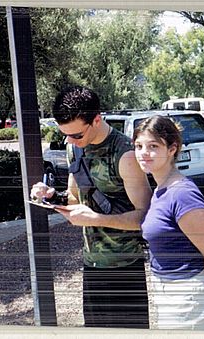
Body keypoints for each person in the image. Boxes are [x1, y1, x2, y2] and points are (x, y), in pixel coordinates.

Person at [31, 85, 152, 328]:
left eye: (77, 135)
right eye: (65, 135)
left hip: (124, 268)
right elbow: (76, 199)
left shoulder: (125, 155)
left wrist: (94, 219)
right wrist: (52, 197)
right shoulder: (74, 149)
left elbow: (145, 217)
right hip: (92, 265)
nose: (71, 141)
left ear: (96, 119)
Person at [133, 114, 204, 330]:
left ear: (172, 149)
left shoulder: (182, 193)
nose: (144, 153)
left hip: (189, 299)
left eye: (153, 146)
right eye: (138, 146)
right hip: (170, 295)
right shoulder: (161, 189)